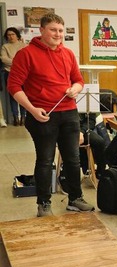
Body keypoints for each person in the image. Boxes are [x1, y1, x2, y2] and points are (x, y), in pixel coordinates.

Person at [8, 13, 94, 217]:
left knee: (73, 160)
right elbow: (13, 86)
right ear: (42, 31)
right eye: (53, 30)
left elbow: (79, 80)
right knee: (45, 161)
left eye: (61, 30)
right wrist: (32, 109)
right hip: (42, 115)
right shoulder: (26, 54)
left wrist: (75, 88)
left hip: (69, 113)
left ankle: (75, 199)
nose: (58, 34)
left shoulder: (68, 54)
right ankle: (44, 203)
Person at [1, 27, 26, 126]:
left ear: (17, 35)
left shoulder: (23, 45)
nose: (10, 37)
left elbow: (26, 60)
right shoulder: (5, 46)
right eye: (8, 35)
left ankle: (24, 117)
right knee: (13, 96)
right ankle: (16, 118)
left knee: (24, 96)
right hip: (9, 73)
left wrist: (12, 61)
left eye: (13, 34)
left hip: (23, 74)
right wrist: (17, 62)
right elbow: (3, 59)